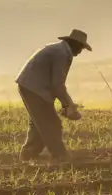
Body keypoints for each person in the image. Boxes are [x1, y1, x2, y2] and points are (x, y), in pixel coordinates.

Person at [14, 29, 91, 161]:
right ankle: (60, 155)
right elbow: (57, 84)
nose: (80, 51)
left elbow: (55, 84)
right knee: (51, 124)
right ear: (74, 44)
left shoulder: (58, 50)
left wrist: (67, 104)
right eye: (80, 48)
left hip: (30, 86)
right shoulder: (62, 54)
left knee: (39, 123)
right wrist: (68, 104)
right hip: (34, 88)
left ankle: (28, 154)